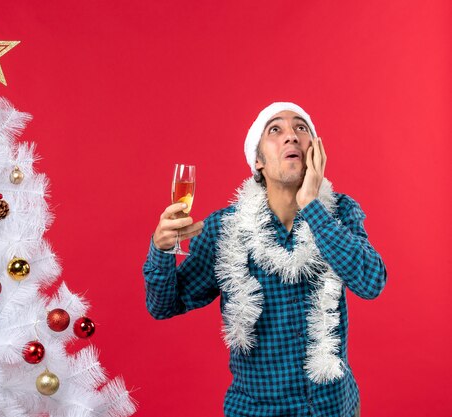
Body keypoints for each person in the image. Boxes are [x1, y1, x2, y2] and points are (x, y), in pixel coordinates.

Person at [142, 102, 386, 417]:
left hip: (334, 408)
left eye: (301, 128)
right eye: (276, 130)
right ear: (258, 160)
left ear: (315, 152)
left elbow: (371, 282)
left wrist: (312, 205)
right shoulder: (225, 228)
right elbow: (162, 306)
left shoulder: (340, 212)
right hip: (256, 411)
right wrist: (161, 250)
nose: (292, 136)